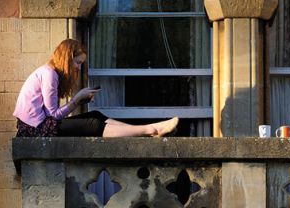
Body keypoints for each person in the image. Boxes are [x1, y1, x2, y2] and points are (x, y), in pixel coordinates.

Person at [13, 38, 179, 138]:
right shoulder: (50, 74)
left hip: (41, 126)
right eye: (77, 62)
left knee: (96, 115)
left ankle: (149, 130)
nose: (78, 68)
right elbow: (53, 116)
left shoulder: (49, 73)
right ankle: (152, 129)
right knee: (93, 124)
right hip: (35, 130)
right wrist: (77, 100)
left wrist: (79, 100)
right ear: (66, 59)